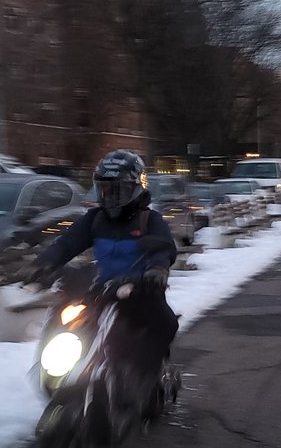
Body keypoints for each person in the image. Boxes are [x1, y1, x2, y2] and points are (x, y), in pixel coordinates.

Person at [25, 150, 178, 403]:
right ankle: (56, 373)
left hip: (141, 290)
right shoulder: (94, 219)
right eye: (105, 190)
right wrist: (43, 264)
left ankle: (146, 376)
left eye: (118, 190)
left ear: (136, 188)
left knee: (166, 323)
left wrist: (157, 269)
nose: (110, 197)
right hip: (102, 289)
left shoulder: (150, 220)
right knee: (64, 318)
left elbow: (163, 248)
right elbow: (67, 243)